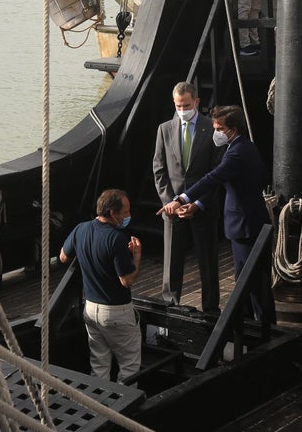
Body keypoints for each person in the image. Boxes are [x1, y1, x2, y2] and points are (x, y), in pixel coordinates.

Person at [160, 105, 273, 322]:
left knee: (253, 282)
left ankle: (264, 329)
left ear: (233, 129)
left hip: (246, 224)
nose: (216, 132)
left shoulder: (237, 152)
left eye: (220, 128)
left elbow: (213, 177)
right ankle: (250, 325)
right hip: (245, 220)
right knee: (247, 282)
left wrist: (182, 198)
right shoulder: (243, 147)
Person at [60, 188, 143, 382]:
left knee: (99, 365)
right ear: (113, 214)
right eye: (125, 212)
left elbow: (63, 256)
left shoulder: (81, 229)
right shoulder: (117, 239)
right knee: (129, 366)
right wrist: (137, 256)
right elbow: (127, 280)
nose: (128, 216)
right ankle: (127, 409)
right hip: (116, 312)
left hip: (90, 308)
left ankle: (100, 404)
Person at [152, 81, 221, 313]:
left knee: (207, 262)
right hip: (173, 209)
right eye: (178, 105)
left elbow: (216, 171)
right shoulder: (165, 129)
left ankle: (211, 309)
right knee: (171, 263)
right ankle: (171, 306)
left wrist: (198, 203)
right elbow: (159, 170)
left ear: (197, 102)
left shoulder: (211, 129)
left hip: (202, 207)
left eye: (187, 105)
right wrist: (170, 202)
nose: (182, 110)